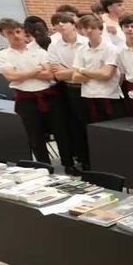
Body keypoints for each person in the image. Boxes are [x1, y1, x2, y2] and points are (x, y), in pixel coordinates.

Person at [0, 18, 76, 173]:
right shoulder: (2, 54)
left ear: (24, 32)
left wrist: (23, 73)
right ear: (3, 34)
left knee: (61, 131)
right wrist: (36, 70)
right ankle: (44, 167)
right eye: (10, 33)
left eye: (18, 31)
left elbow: (48, 74)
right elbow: (12, 77)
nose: (16, 36)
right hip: (26, 98)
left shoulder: (39, 51)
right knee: (35, 135)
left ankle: (68, 163)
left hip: (49, 96)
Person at [46, 13, 90, 170]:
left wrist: (69, 70)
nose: (61, 25)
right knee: (75, 126)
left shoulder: (86, 42)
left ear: (73, 23)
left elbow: (91, 69)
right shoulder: (54, 46)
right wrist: (78, 70)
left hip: (89, 88)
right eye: (56, 23)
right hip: (69, 89)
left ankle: (96, 160)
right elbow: (57, 74)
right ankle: (84, 160)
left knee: (90, 126)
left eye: (64, 21)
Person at [71, 14, 126, 122]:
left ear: (101, 30)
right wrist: (97, 73)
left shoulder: (111, 49)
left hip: (109, 96)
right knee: (95, 132)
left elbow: (106, 75)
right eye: (86, 28)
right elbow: (75, 77)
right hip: (89, 96)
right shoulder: (81, 50)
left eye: (93, 28)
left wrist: (83, 70)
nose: (89, 31)